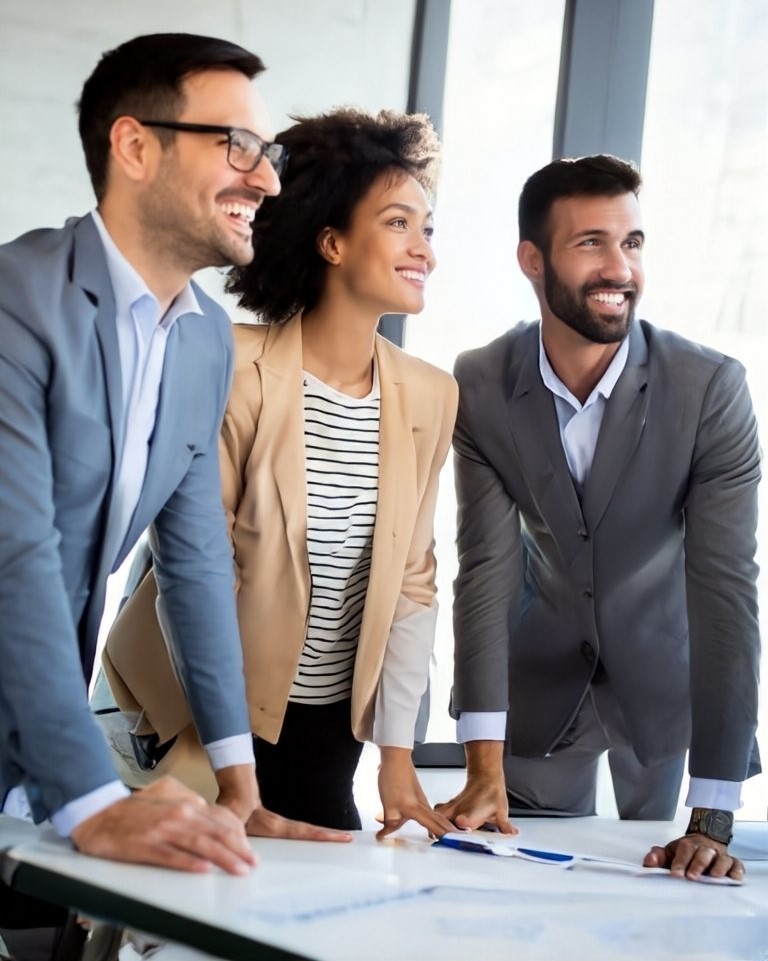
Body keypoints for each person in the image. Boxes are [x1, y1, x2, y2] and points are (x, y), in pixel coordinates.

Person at [0, 30, 346, 909]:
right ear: (135, 145)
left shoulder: (199, 339)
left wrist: (239, 785)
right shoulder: (16, 301)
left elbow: (194, 564)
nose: (266, 179)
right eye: (237, 146)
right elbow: (17, 558)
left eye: (265, 153)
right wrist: (90, 802)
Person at [103, 107, 459, 837]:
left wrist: (396, 754)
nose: (423, 248)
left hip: (331, 736)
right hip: (193, 720)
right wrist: (227, 760)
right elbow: (191, 566)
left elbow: (413, 580)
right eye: (398, 223)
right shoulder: (229, 362)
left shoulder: (431, 393)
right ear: (331, 241)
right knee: (161, 934)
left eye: (428, 228)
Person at [436, 154, 761, 882]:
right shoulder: (482, 381)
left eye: (633, 242)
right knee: (517, 886)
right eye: (592, 243)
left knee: (661, 892)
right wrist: (480, 760)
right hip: (541, 678)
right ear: (532, 259)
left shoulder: (710, 389)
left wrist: (711, 816)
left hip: (665, 675)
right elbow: (485, 571)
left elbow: (725, 590)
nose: (622, 268)